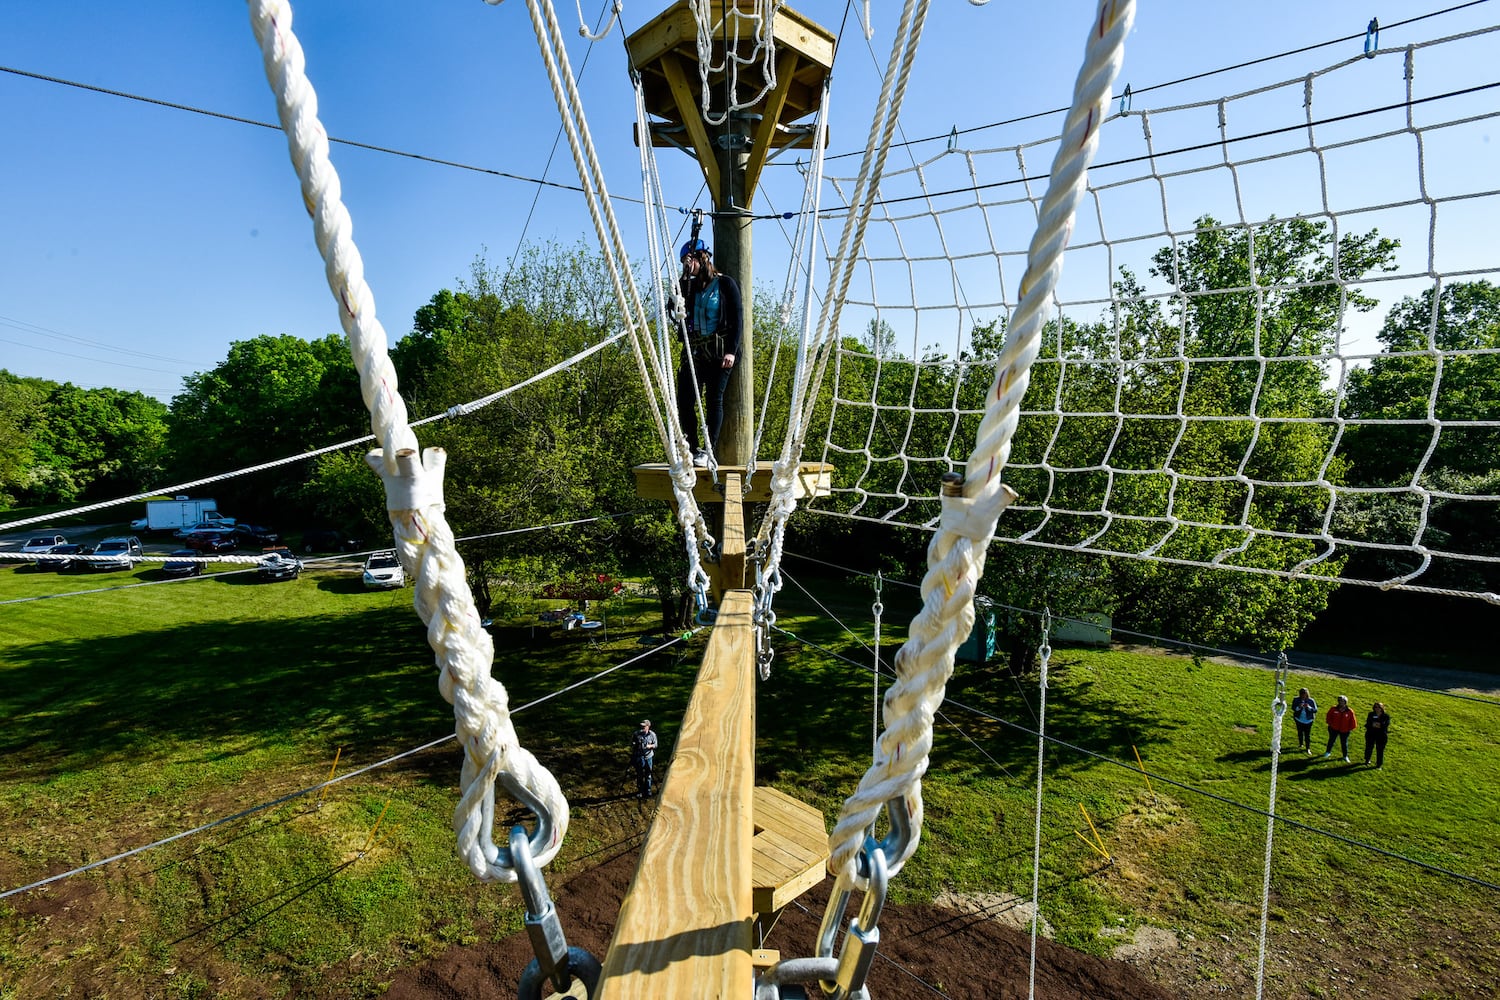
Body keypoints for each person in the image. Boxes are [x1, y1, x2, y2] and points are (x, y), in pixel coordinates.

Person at [674, 239, 742, 467]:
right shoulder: (689, 287)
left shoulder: (725, 284)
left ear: (699, 259)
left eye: (688, 261)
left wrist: (731, 351)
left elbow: (737, 320)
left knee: (714, 400)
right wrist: (683, 279)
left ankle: (709, 450)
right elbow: (674, 308)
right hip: (694, 352)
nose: (687, 266)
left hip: (719, 352)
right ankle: (691, 447)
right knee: (684, 399)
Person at [1322, 694, 1357, 762]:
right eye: (1339, 701)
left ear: (1345, 702)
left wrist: (1348, 729)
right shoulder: (1333, 709)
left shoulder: (1349, 711)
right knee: (1331, 740)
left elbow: (1353, 722)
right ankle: (1328, 752)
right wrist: (1331, 724)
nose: (1341, 702)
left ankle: (1345, 756)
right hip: (1334, 729)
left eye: (1342, 701)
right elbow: (1328, 717)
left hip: (1345, 731)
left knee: (1344, 743)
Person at [630, 719, 659, 799]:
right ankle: (640, 791)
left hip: (649, 757)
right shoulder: (636, 734)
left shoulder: (652, 735)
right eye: (641, 726)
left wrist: (649, 746)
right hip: (639, 757)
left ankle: (648, 790)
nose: (642, 728)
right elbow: (632, 743)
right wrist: (635, 745)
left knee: (648, 774)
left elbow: (656, 745)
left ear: (648, 727)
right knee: (639, 774)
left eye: (644, 726)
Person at [1290, 687, 1318, 754]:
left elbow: (1315, 710)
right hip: (1299, 719)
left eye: (1304, 694)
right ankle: (1301, 744)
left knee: (1307, 735)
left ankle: (1308, 748)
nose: (1303, 696)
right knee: (1300, 732)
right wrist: (1299, 707)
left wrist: (1309, 707)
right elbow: (1293, 708)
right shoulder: (1296, 699)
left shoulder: (1311, 701)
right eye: (1302, 694)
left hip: (1308, 721)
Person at [1364, 701, 1391, 768]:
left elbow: (1385, 725)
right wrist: (1377, 725)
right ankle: (1367, 760)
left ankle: (1379, 764)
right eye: (1375, 707)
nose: (1377, 708)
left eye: (1379, 707)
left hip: (1381, 735)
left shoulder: (1386, 716)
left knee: (1380, 750)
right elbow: (1369, 723)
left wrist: (1376, 724)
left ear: (1382, 708)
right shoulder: (1371, 714)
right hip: (1371, 734)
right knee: (1369, 747)